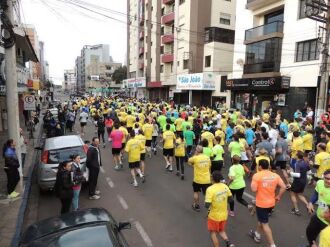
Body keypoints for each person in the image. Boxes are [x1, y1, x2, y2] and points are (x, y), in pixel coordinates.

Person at [249, 159, 286, 247]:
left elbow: (253, 189)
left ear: (260, 166)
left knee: (265, 224)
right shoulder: (275, 175)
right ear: (268, 166)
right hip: (271, 203)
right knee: (262, 219)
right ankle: (257, 234)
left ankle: (272, 245)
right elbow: (284, 187)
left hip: (261, 203)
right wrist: (278, 196)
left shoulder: (257, 175)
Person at [205, 171, 235, 247]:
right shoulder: (225, 186)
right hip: (224, 214)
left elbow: (207, 205)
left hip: (214, 216)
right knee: (221, 230)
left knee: (213, 232)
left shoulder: (210, 189)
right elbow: (231, 200)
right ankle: (229, 243)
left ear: (212, 179)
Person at [306, 169, 330, 246]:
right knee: (309, 232)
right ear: (323, 177)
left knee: (325, 241)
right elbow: (316, 194)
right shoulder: (319, 183)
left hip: (328, 222)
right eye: (327, 178)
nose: (329, 181)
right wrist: (310, 202)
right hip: (318, 216)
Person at [188, 145, 211, 212]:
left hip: (197, 179)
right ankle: (209, 208)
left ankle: (196, 205)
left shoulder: (195, 158)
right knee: (207, 194)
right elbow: (209, 167)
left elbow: (189, 161)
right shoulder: (207, 158)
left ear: (197, 151)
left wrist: (195, 155)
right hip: (206, 179)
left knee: (196, 192)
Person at [288, 151, 310, 216]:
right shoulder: (305, 162)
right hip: (304, 181)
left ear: (297, 156)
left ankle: (296, 210)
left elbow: (298, 175)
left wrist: (290, 172)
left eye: (295, 154)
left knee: (292, 194)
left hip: (298, 181)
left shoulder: (297, 163)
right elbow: (308, 170)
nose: (294, 155)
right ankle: (308, 205)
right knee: (300, 194)